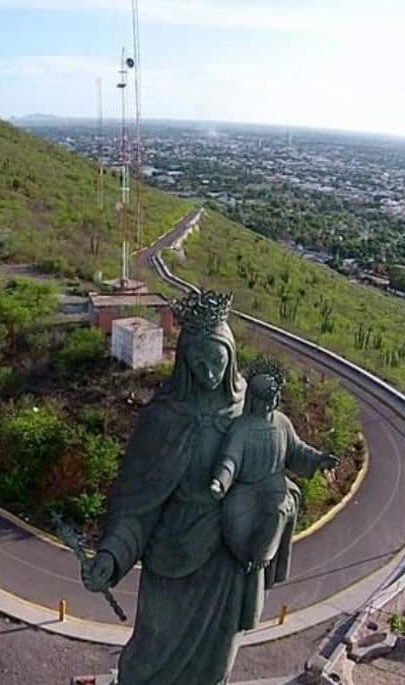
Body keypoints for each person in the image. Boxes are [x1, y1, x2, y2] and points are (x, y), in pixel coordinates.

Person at [81, 290, 278, 685]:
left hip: (226, 563)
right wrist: (113, 554)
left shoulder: (249, 416)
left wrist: (274, 514)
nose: (208, 372)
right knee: (149, 661)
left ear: (231, 357)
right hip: (172, 561)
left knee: (214, 668)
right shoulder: (164, 417)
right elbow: (136, 503)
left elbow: (272, 480)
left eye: (217, 360)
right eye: (198, 360)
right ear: (184, 361)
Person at [210, 357, 339, 627]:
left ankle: (261, 562)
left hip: (273, 488)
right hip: (244, 493)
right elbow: (229, 460)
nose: (272, 402)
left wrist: (319, 459)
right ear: (255, 399)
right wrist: (220, 482)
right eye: (267, 397)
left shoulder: (281, 424)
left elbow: (297, 450)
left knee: (280, 509)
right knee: (240, 526)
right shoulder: (241, 428)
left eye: (275, 397)